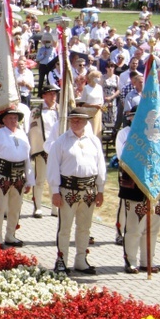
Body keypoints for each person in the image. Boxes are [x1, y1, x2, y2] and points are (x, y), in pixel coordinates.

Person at [47, 109, 106, 274]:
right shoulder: (61, 142)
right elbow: (52, 167)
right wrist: (55, 191)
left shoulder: (94, 141)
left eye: (79, 120)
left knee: (84, 228)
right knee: (64, 227)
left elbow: (100, 166)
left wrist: (100, 189)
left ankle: (81, 260)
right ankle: (61, 260)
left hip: (89, 191)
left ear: (86, 121)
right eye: (73, 120)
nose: (76, 123)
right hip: (68, 189)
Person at [117, 106, 160, 274]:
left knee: (153, 228)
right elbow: (123, 158)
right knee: (134, 227)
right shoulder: (126, 135)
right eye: (136, 117)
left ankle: (147, 260)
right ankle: (131, 260)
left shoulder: (159, 136)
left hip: (156, 187)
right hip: (136, 186)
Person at [0, 109, 34, 246]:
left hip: (19, 178)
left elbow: (27, 158)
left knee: (15, 208)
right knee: (0, 207)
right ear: (4, 120)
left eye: (15, 118)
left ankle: (11, 235)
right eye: (10, 118)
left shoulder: (23, 134)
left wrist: (29, 179)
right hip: (2, 176)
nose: (13, 121)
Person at [29, 84, 60, 218]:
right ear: (44, 96)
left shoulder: (61, 110)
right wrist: (37, 146)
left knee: (56, 179)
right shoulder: (37, 111)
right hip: (42, 148)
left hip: (58, 149)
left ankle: (55, 208)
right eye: (50, 94)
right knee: (40, 178)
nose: (53, 96)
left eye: (55, 94)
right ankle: (38, 207)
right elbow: (33, 130)